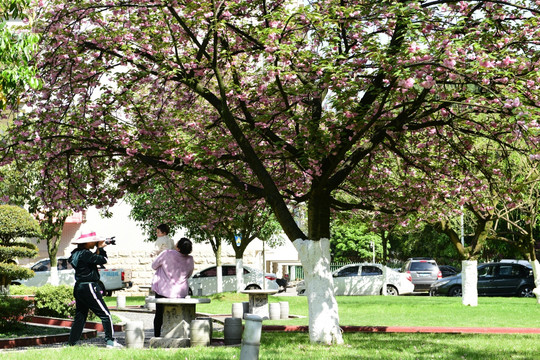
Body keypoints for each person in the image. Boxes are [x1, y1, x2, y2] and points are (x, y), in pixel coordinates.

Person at [67, 230, 123, 349]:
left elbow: (92, 261)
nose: (94, 243)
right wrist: (101, 248)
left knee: (80, 316)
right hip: (89, 287)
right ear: (86, 243)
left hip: (79, 287)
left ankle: (72, 343)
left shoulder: (75, 253)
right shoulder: (86, 254)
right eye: (92, 241)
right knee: (105, 314)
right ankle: (110, 341)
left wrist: (98, 248)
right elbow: (104, 260)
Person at [151, 237, 194, 337]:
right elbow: (189, 274)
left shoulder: (167, 253)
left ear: (178, 248)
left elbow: (154, 266)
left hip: (163, 290)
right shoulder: (190, 259)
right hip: (181, 292)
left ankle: (157, 336)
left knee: (159, 314)